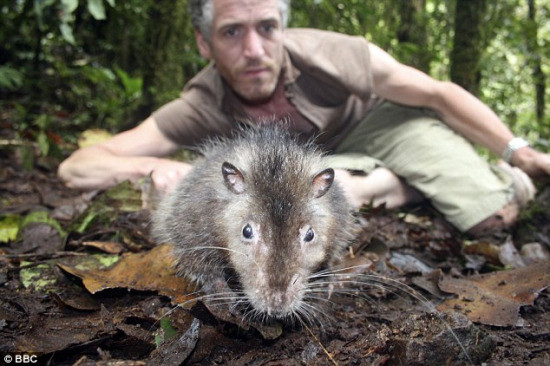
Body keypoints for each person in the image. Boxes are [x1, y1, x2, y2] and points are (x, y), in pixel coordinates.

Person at [58, 0, 549, 236]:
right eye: (232, 33)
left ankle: (506, 179)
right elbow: (77, 166)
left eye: (266, 28)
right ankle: (399, 186)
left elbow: (439, 93)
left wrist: (517, 150)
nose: (254, 51)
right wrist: (149, 168)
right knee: (311, 198)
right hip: (326, 166)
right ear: (204, 44)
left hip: (384, 126)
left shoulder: (330, 54)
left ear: (282, 28)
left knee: (491, 220)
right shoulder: (202, 102)